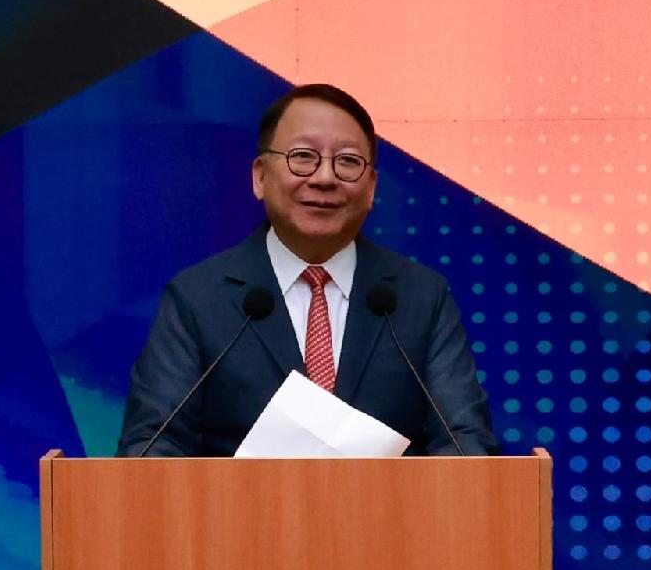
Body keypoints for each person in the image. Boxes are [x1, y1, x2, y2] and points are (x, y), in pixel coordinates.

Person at [121, 82, 498, 457]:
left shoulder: (420, 297)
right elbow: (151, 449)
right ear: (260, 176)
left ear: (371, 189)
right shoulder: (197, 299)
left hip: (389, 516)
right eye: (303, 156)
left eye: (348, 161)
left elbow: (465, 444)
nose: (324, 178)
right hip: (236, 516)